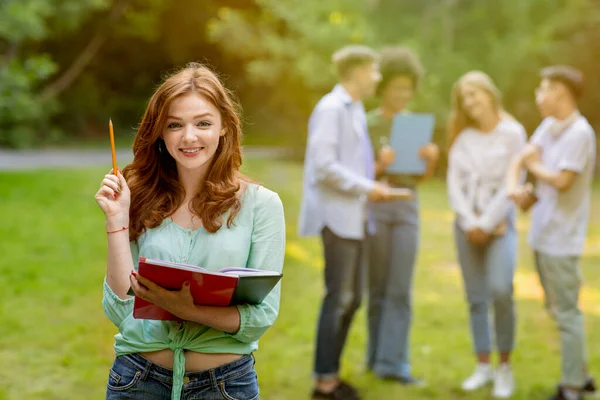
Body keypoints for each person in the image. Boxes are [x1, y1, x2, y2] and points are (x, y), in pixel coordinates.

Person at [95, 63, 286, 400]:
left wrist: (188, 311)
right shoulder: (137, 197)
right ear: (161, 133)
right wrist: (116, 220)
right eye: (174, 125)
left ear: (224, 126)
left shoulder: (262, 205)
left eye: (203, 123)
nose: (189, 137)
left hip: (225, 387)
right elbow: (121, 311)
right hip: (137, 382)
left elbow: (260, 318)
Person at [298, 44, 398, 400]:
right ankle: (323, 383)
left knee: (353, 298)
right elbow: (324, 166)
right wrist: (369, 186)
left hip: (355, 217)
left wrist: (377, 171)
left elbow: (350, 163)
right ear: (356, 72)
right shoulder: (331, 108)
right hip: (337, 218)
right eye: (373, 70)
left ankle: (332, 375)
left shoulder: (354, 109)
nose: (378, 77)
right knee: (339, 297)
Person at [506, 65, 597, 400]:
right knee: (556, 309)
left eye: (543, 89)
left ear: (561, 92)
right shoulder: (550, 127)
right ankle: (582, 374)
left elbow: (562, 180)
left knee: (567, 313)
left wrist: (531, 168)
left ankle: (572, 388)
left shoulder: (579, 133)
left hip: (562, 239)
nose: (538, 96)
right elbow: (534, 166)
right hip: (542, 233)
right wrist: (522, 189)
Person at [447, 71, 526, 398]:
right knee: (476, 297)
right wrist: (470, 222)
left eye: (474, 94)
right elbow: (453, 184)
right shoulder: (463, 138)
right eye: (465, 98)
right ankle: (482, 365)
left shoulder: (513, 133)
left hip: (499, 225)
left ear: (490, 94)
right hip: (467, 226)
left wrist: (489, 222)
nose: (470, 102)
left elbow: (513, 180)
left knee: (501, 290)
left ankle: (504, 367)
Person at [365, 46, 438, 386]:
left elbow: (421, 176)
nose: (402, 94)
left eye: (407, 89)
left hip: (408, 205)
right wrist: (380, 164)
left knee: (400, 288)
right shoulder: (366, 122)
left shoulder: (414, 125)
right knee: (377, 286)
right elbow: (358, 172)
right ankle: (376, 358)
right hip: (377, 204)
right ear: (384, 87)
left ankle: (394, 364)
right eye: (396, 87)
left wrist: (430, 160)